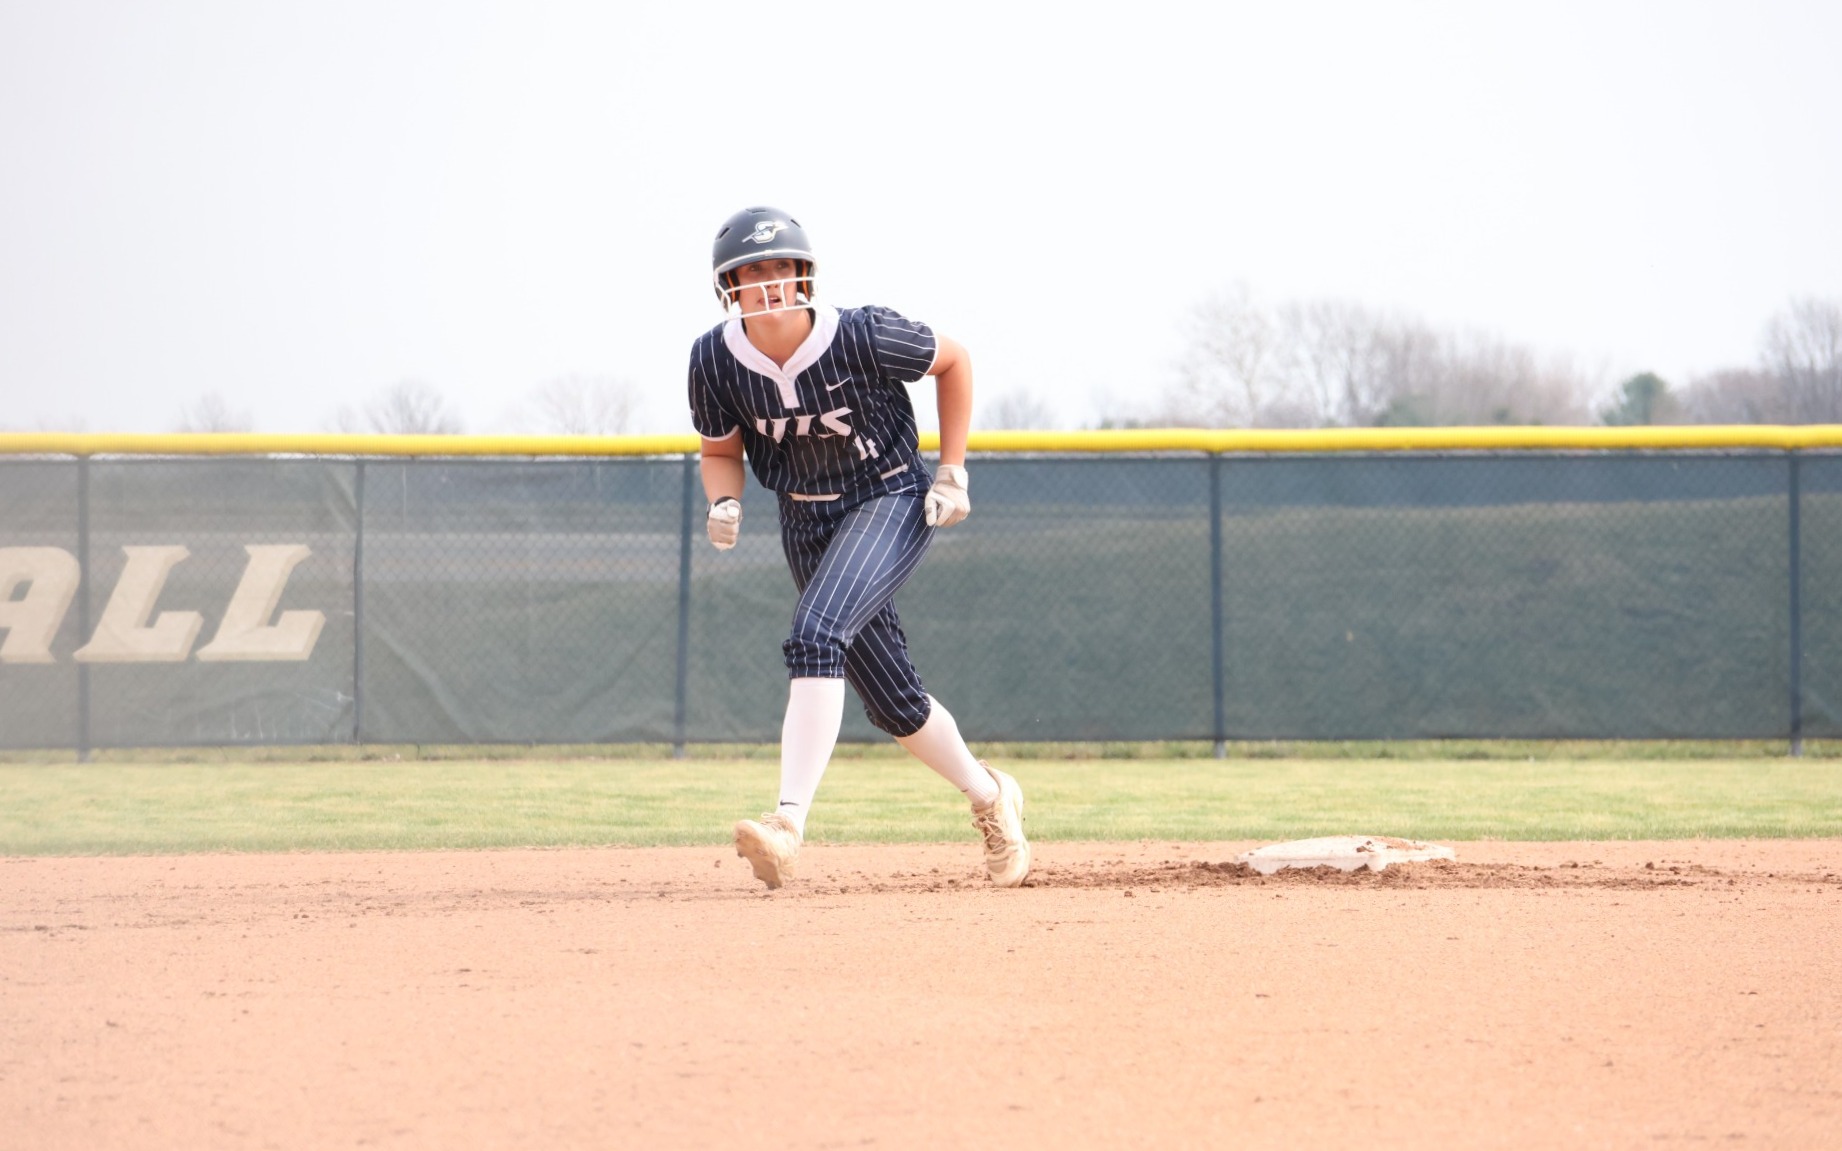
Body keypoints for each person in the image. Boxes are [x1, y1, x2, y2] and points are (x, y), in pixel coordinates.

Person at [687, 205, 1030, 891]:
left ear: (804, 273)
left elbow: (954, 361)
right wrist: (722, 500)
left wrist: (953, 470)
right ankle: (992, 796)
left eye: (781, 266)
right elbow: (721, 450)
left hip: (888, 496)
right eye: (752, 271)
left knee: (815, 635)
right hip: (804, 517)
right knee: (893, 701)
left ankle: (787, 825)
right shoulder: (714, 358)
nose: (769, 281)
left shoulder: (861, 333)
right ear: (729, 286)